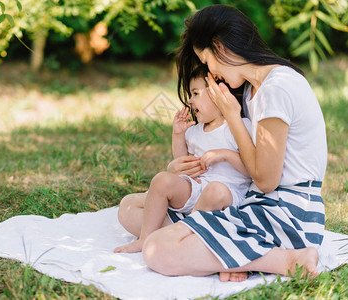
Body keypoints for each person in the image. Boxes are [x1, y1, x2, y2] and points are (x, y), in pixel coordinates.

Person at [120, 4, 327, 282]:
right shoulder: (255, 90)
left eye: (207, 62)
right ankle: (226, 251)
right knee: (131, 207)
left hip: (287, 216)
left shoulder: (276, 89)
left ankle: (286, 259)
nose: (211, 73)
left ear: (220, 48)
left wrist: (231, 115)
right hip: (258, 206)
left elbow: (266, 181)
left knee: (158, 250)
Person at [114, 65, 252, 254]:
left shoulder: (238, 126)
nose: (190, 100)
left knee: (215, 190)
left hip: (226, 197)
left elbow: (252, 169)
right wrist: (178, 135)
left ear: (218, 94)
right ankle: (148, 238)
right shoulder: (195, 131)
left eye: (196, 93)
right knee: (160, 181)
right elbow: (183, 165)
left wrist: (225, 154)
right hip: (196, 190)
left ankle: (181, 234)